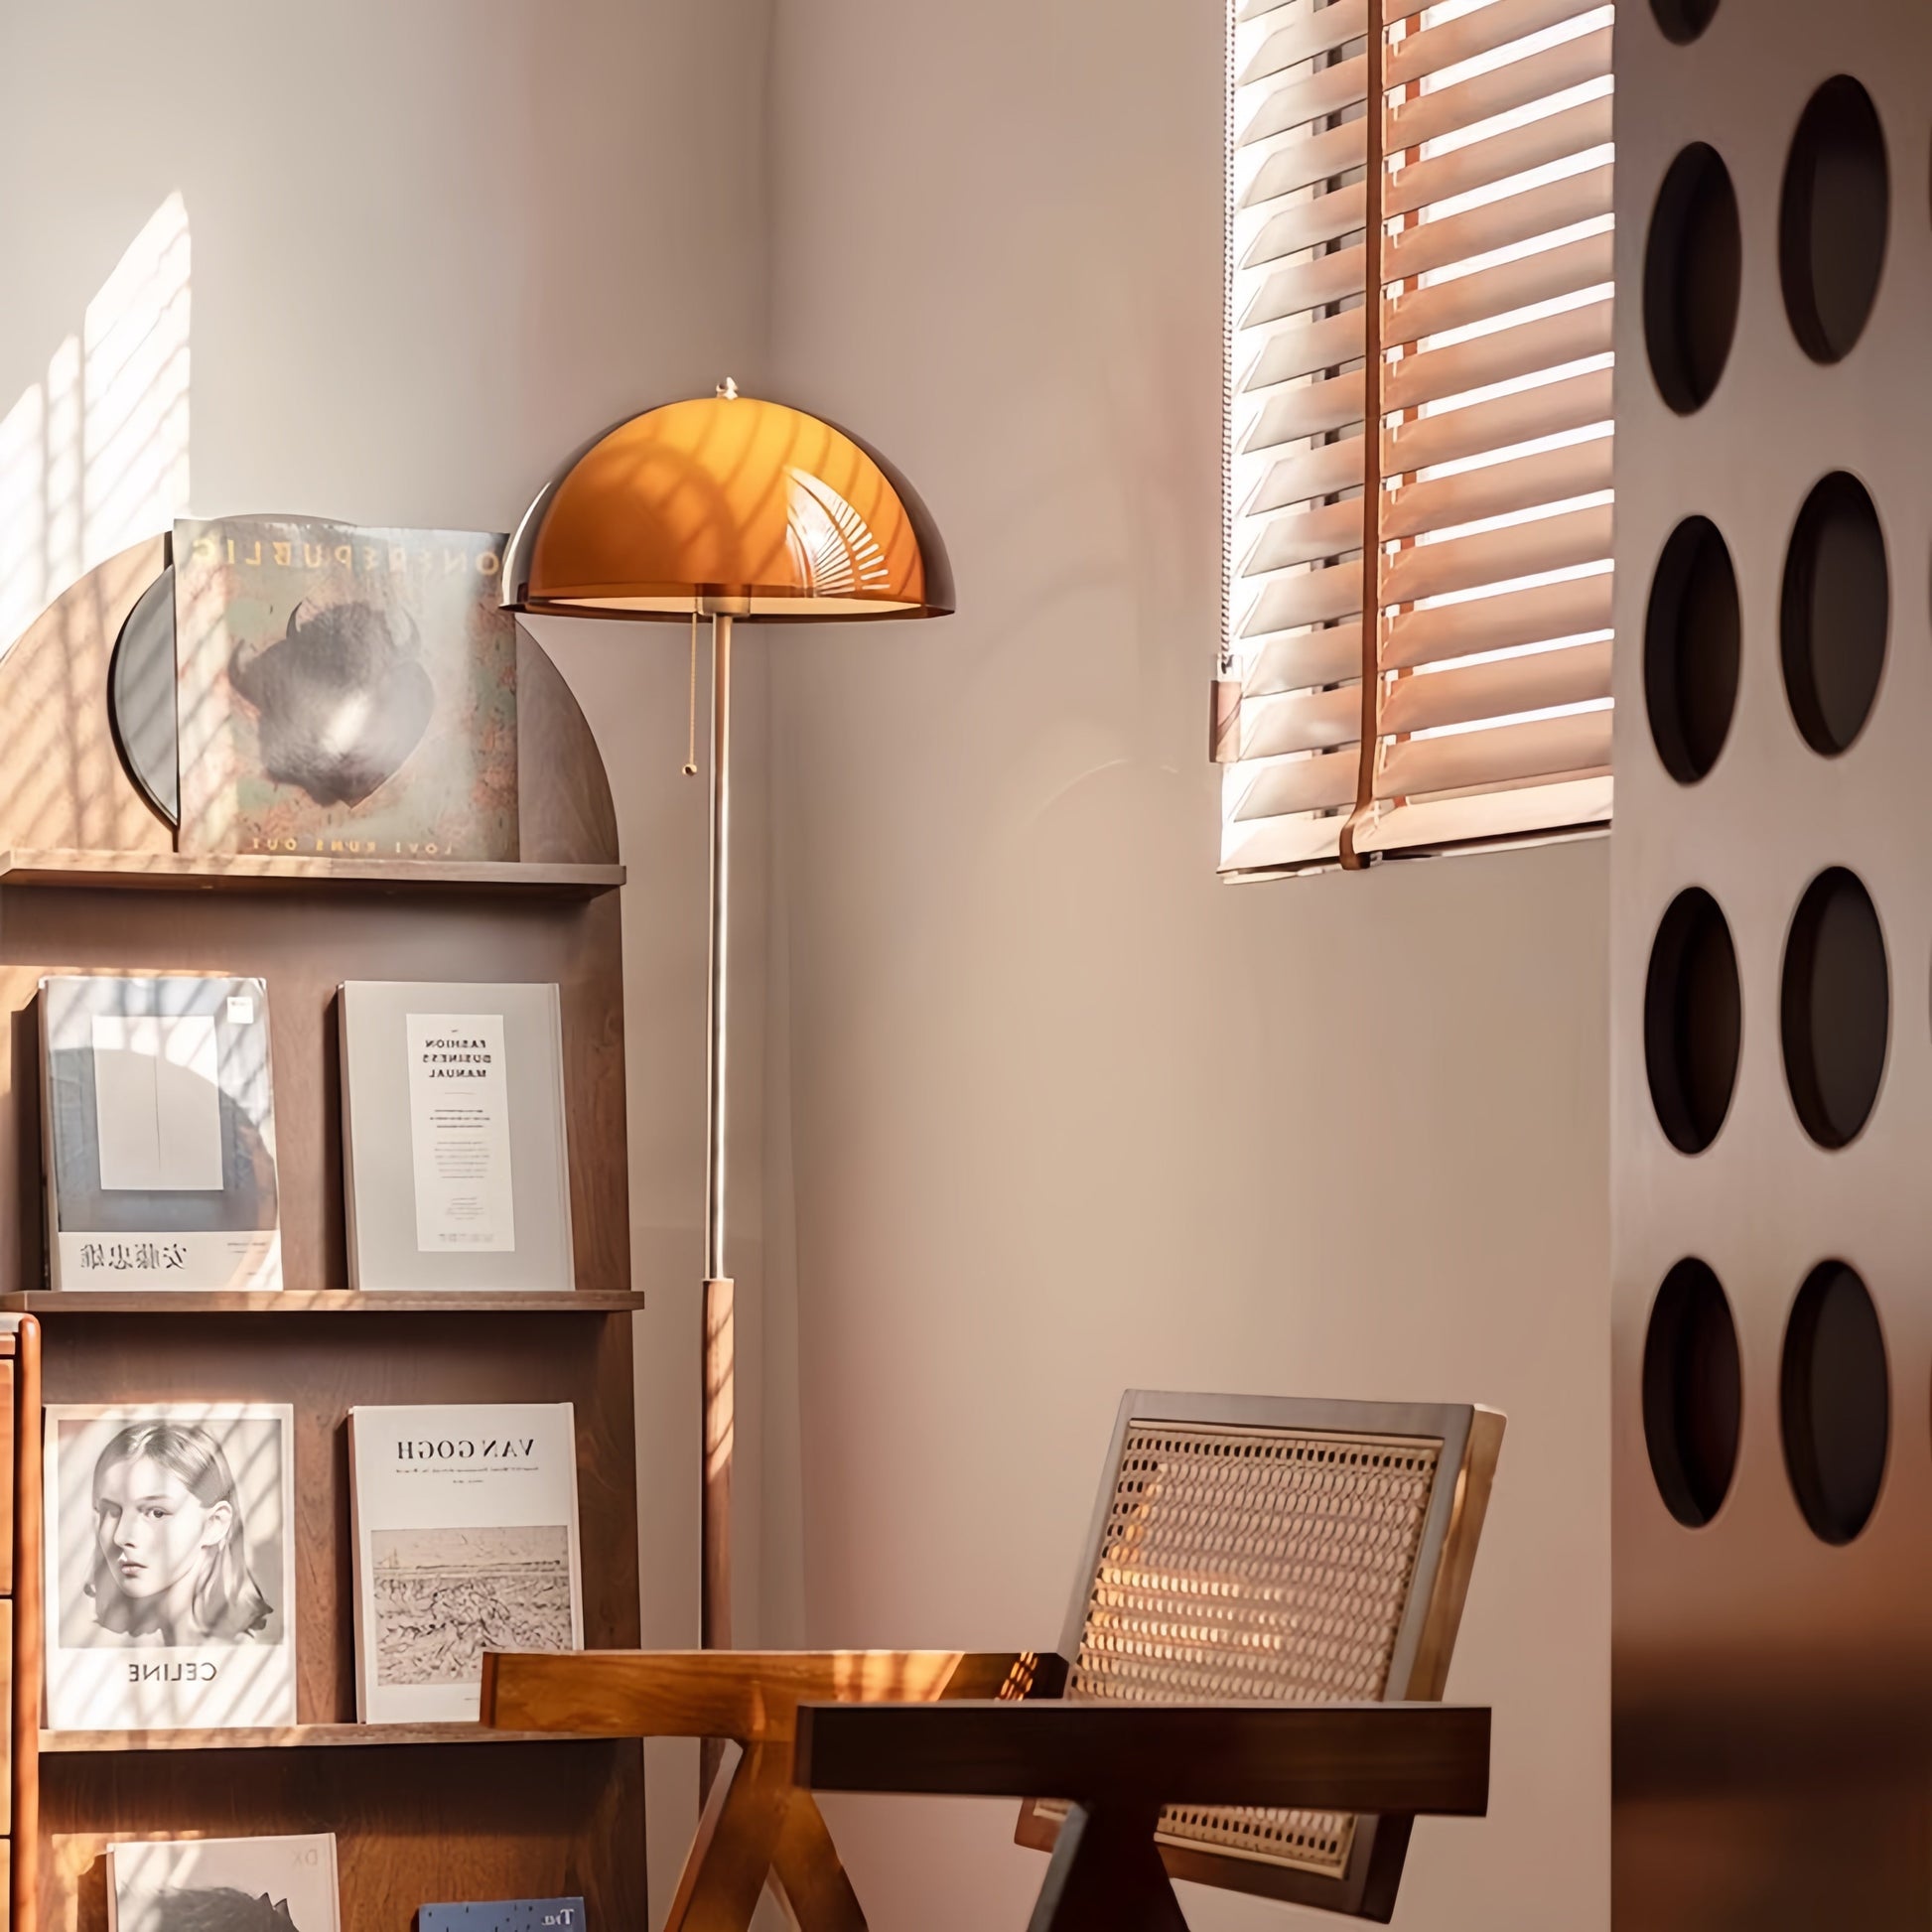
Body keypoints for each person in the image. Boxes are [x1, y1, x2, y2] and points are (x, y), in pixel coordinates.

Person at [86, 1422, 274, 1644]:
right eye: (111, 1511)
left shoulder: (240, 1657)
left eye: (156, 1513)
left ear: (215, 1523)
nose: (121, 1537)